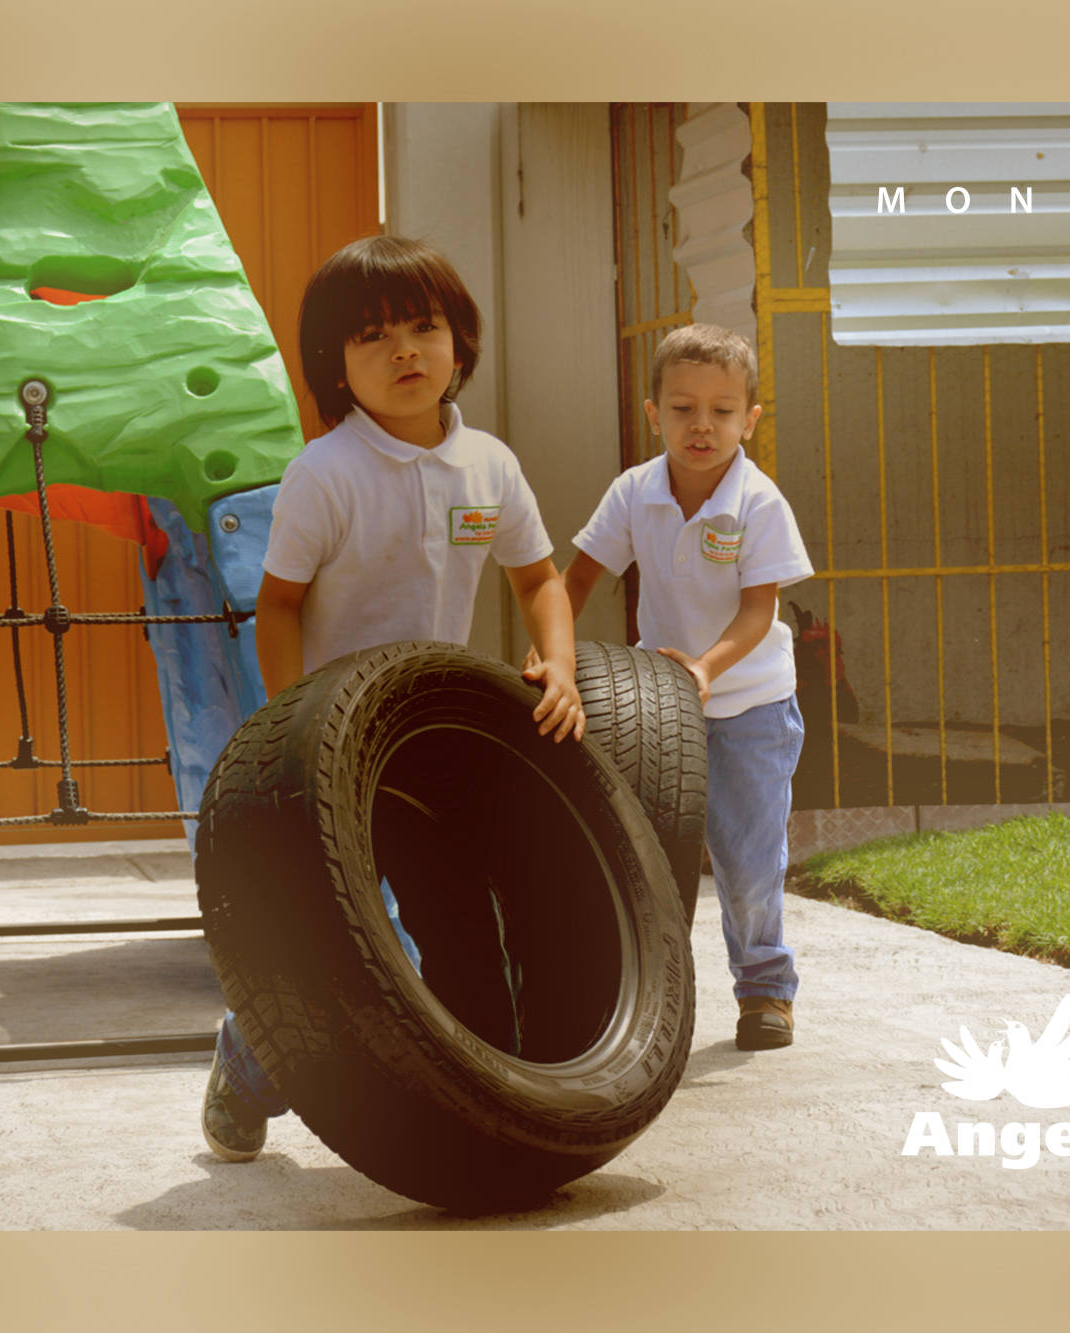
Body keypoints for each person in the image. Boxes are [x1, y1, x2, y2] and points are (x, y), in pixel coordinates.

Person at [203, 234, 585, 1162]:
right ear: (335, 365)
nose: (405, 350)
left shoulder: (487, 467)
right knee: (325, 932)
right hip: (331, 738)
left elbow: (538, 580)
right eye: (372, 336)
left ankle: (485, 1098)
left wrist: (559, 665)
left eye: (424, 325)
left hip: (428, 735)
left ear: (461, 341)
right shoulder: (326, 475)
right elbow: (281, 604)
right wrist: (292, 733)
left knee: (455, 914)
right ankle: (246, 1061)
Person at [556, 323, 813, 1052]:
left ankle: (765, 987)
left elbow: (759, 610)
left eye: (723, 410)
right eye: (682, 408)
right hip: (657, 709)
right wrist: (553, 657)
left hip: (750, 705)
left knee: (747, 861)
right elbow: (575, 581)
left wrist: (705, 668)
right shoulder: (634, 492)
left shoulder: (758, 503)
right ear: (652, 412)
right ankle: (644, 999)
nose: (702, 426)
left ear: (750, 419)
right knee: (642, 857)